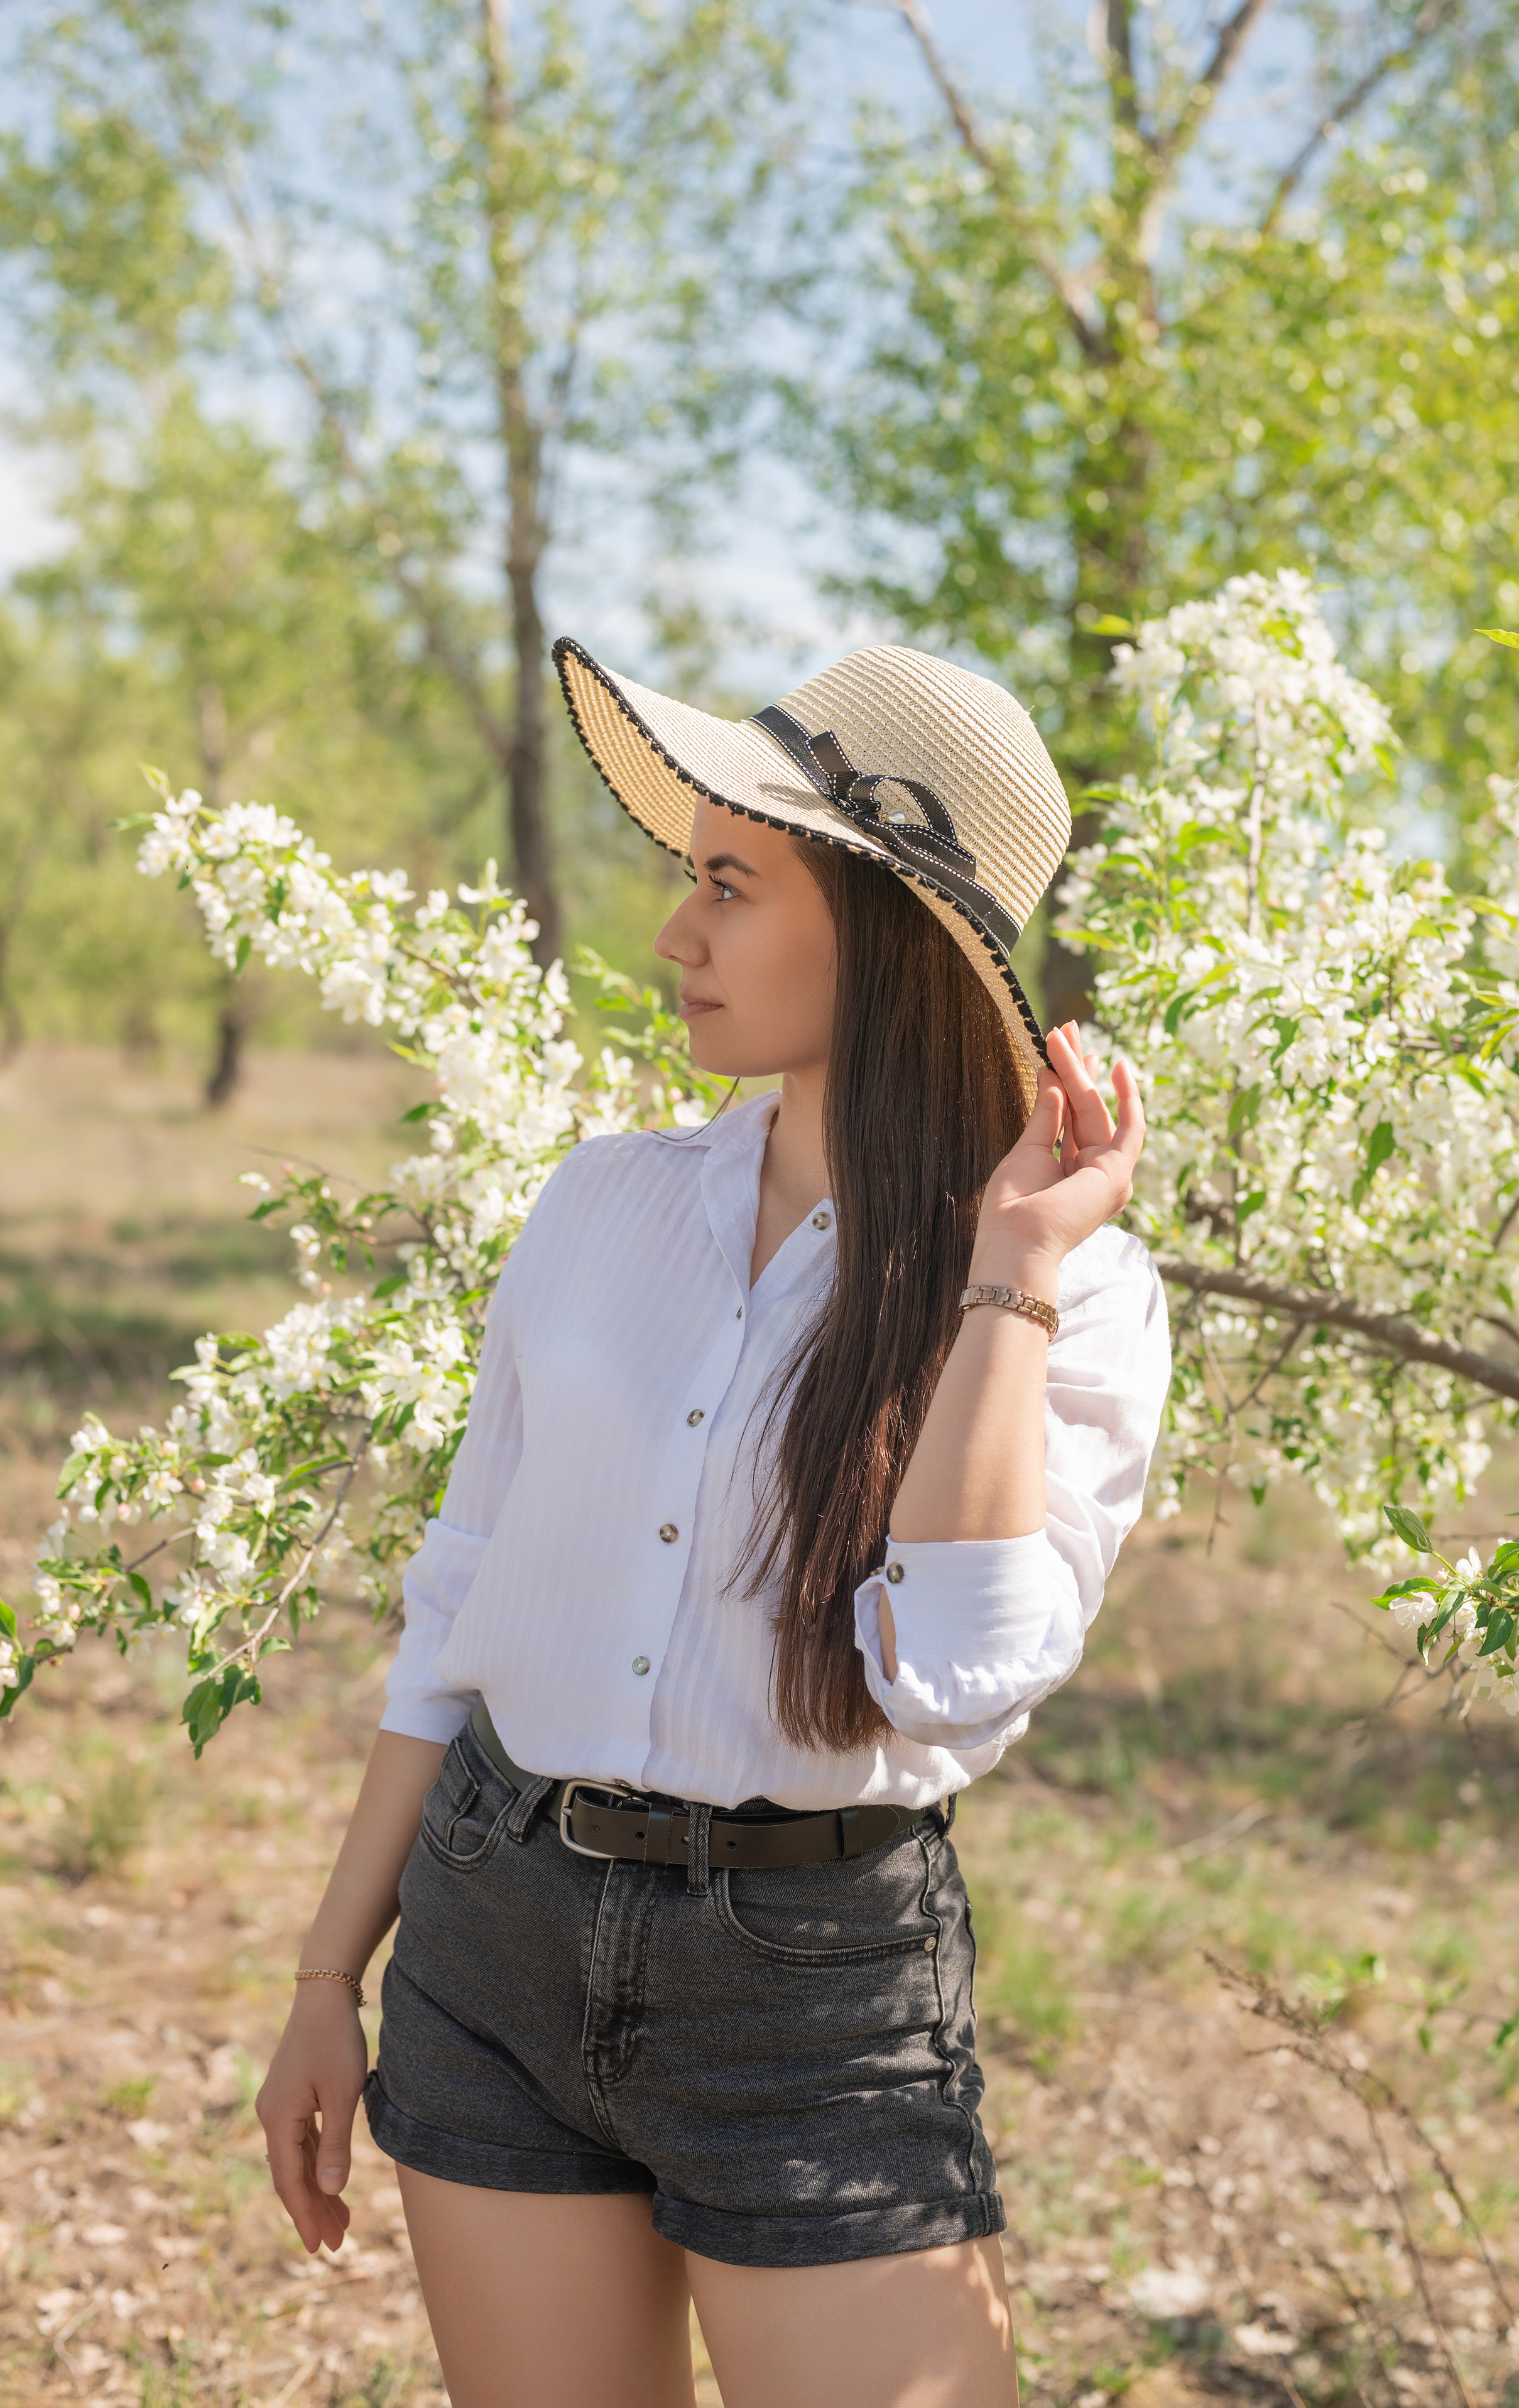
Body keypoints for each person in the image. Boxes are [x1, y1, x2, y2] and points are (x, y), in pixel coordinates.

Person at [256, 639, 1171, 2408]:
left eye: (731, 883)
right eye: (690, 881)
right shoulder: (599, 1206)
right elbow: (461, 1597)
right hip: (493, 1929)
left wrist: (1010, 1275)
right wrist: (323, 1967)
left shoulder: (1080, 1293)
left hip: (815, 2003)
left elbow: (959, 1673)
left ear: (887, 929)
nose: (677, 934)